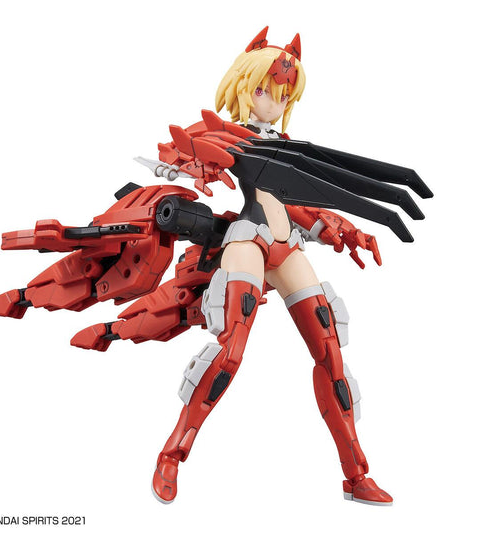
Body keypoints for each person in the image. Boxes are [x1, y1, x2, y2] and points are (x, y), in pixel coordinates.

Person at [152, 27, 393, 506]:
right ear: (246, 87)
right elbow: (181, 150)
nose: (276, 101)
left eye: (284, 93)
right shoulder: (228, 134)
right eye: (267, 90)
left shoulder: (284, 145)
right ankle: (171, 455)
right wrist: (186, 165)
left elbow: (299, 204)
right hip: (249, 239)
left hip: (287, 244)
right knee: (230, 351)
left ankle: (355, 475)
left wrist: (341, 228)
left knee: (330, 350)